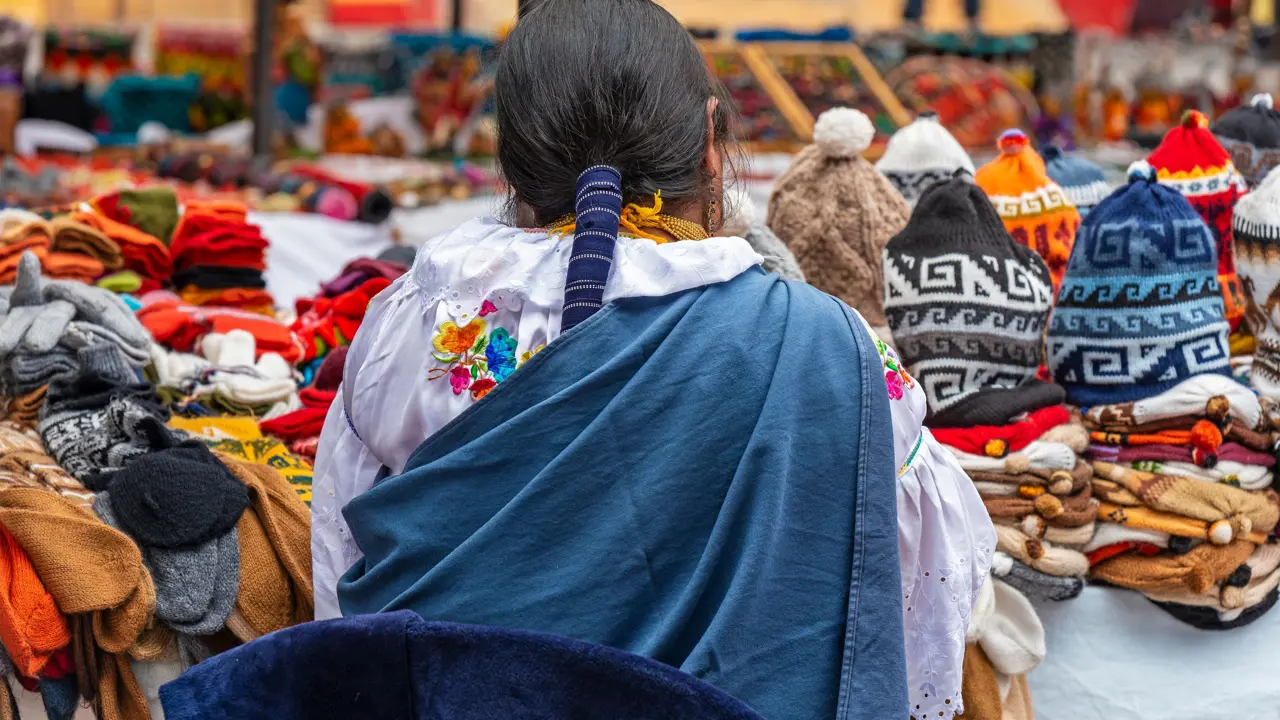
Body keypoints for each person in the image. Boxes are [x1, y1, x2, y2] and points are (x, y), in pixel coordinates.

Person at [311, 1, 992, 718]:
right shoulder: (830, 348)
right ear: (709, 145)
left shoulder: (419, 319)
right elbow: (924, 599)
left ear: (510, 157)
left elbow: (341, 565)